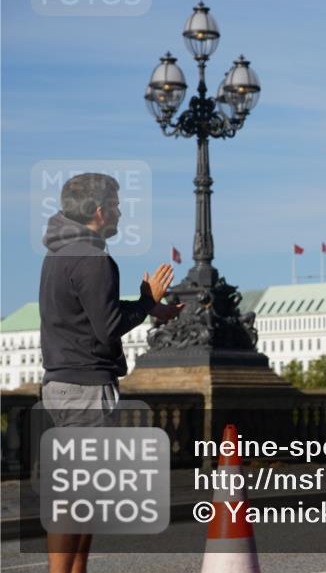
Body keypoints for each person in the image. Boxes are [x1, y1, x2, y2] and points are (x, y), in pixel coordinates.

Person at [39, 173, 183, 573]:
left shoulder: (61, 253)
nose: (120, 211)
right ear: (100, 211)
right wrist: (147, 300)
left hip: (62, 381)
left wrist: (145, 306)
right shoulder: (95, 259)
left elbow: (90, 308)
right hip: (87, 385)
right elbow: (108, 326)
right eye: (117, 205)